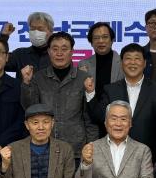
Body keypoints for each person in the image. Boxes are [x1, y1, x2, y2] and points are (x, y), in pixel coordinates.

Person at [21, 31, 99, 159]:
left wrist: (91, 145)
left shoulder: (83, 78)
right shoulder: (38, 78)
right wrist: (26, 83)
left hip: (76, 149)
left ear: (72, 52)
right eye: (55, 49)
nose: (59, 53)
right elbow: (29, 109)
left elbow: (90, 118)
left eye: (64, 49)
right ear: (49, 51)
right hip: (45, 147)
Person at [87, 43, 156, 160]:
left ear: (144, 63)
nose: (132, 62)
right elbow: (98, 117)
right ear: (121, 63)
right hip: (114, 155)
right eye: (128, 58)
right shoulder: (111, 90)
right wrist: (90, 93)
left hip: (148, 156)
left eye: (137, 58)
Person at [78, 22, 125, 98]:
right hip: (91, 105)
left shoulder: (123, 63)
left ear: (112, 40)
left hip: (116, 104)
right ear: (91, 43)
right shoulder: (83, 64)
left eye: (105, 37)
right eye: (96, 38)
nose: (101, 41)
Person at [0, 11, 54, 78]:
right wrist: (3, 37)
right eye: (32, 29)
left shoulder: (58, 56)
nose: (36, 32)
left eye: (40, 29)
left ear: (51, 31)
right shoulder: (19, 54)